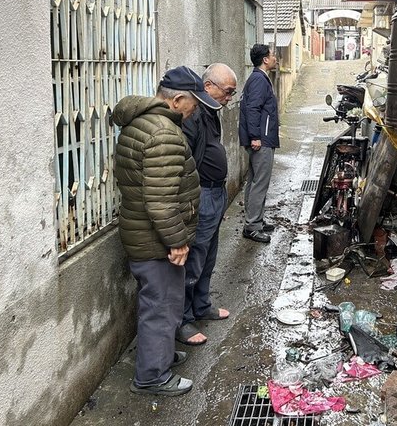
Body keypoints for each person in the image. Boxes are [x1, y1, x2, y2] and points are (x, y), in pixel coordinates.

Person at [112, 66, 219, 396]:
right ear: (178, 99)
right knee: (161, 307)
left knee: (160, 303)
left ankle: (160, 356)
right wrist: (176, 241)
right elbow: (160, 200)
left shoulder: (141, 123)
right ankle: (151, 377)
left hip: (141, 233)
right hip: (156, 241)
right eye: (194, 103)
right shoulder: (164, 135)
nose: (195, 110)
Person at [177, 63, 238, 346]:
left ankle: (202, 305)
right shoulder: (192, 115)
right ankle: (184, 319)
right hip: (201, 196)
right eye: (227, 92)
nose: (229, 98)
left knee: (209, 255)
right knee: (193, 259)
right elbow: (184, 161)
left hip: (215, 194)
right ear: (209, 86)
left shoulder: (211, 112)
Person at [238, 44, 279, 243]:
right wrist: (255, 136)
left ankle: (256, 221)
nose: (275, 58)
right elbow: (252, 109)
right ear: (265, 59)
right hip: (260, 140)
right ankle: (252, 226)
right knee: (259, 183)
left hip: (261, 138)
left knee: (254, 181)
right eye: (272, 55)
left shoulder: (260, 78)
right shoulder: (258, 80)